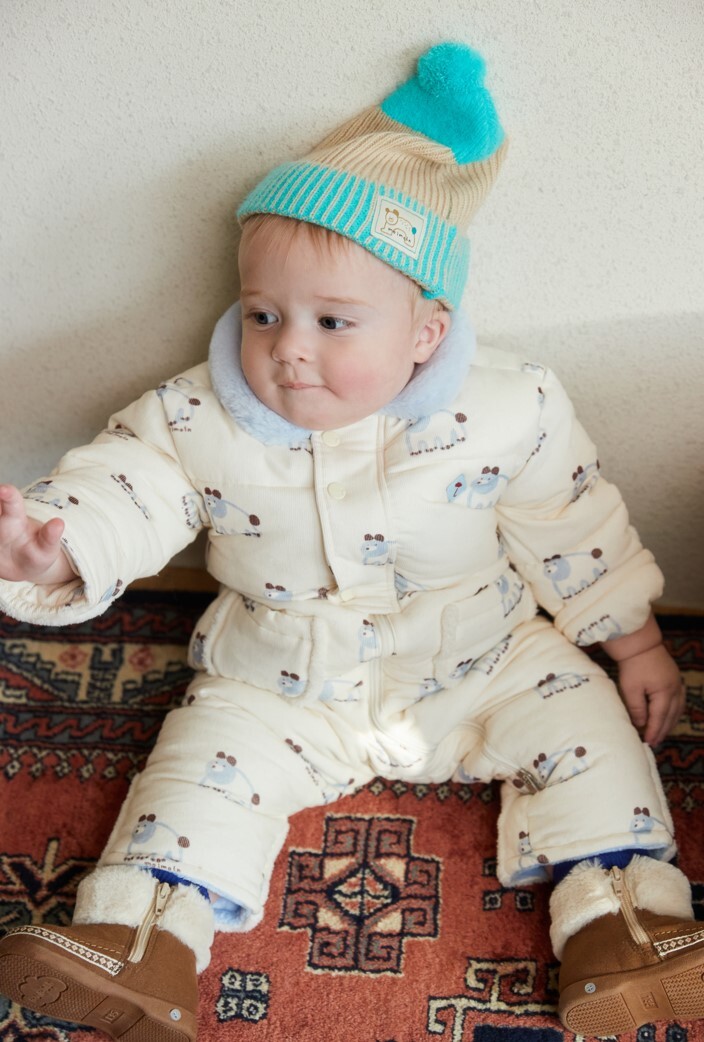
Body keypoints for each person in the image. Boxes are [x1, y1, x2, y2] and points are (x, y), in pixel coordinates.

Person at [0, 41, 701, 1042]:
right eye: (262, 314)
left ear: (424, 332)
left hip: (482, 654)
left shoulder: (511, 406)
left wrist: (634, 643)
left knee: (589, 734)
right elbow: (128, 485)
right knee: (198, 768)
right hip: (280, 675)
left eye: (334, 321)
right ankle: (141, 940)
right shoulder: (195, 415)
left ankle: (624, 924)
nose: (288, 348)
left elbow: (572, 522)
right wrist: (57, 544)